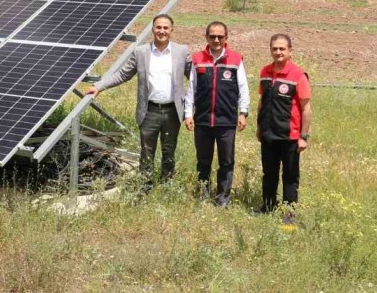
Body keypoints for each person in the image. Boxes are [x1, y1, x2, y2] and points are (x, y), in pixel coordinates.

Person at [88, 14, 191, 191]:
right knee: (146, 152)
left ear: (171, 30)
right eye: (158, 27)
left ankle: (166, 187)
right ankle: (145, 188)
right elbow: (123, 74)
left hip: (173, 111)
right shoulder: (141, 52)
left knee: (169, 151)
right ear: (153, 29)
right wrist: (98, 86)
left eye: (165, 28)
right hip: (149, 111)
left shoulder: (181, 51)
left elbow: (194, 78)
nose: (162, 31)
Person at [183, 21, 249, 207]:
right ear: (207, 37)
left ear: (226, 38)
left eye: (220, 36)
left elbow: (243, 88)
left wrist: (243, 112)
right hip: (202, 120)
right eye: (212, 36)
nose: (216, 40)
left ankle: (222, 198)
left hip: (226, 121)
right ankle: (203, 195)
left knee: (226, 162)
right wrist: (188, 114)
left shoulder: (235, 59)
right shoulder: (198, 59)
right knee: (203, 161)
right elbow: (192, 88)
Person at [256, 33, 313, 220]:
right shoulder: (265, 72)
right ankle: (268, 207)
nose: (278, 52)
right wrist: (259, 127)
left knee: (290, 176)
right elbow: (262, 102)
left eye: (282, 49)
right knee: (269, 173)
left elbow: (306, 108)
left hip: (290, 136)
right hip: (268, 134)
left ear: (290, 51)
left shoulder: (298, 75)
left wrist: (303, 137)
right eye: (275, 49)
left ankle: (289, 214)